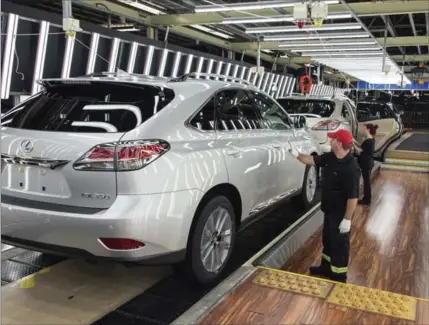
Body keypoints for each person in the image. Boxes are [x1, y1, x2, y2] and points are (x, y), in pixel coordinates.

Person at [289, 129, 360, 283]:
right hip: (329, 211)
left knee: (339, 246)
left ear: (339, 144)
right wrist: (296, 154)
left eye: (333, 139)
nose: (330, 140)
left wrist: (347, 219)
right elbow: (311, 160)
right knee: (328, 241)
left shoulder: (351, 168)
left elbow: (353, 198)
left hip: (340, 214)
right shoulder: (330, 157)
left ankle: (339, 276)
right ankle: (326, 267)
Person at [353, 124, 377, 205]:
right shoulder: (371, 140)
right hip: (369, 162)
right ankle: (366, 199)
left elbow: (360, 150)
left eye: (365, 129)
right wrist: (355, 142)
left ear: (368, 130)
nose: (364, 130)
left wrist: (353, 145)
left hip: (366, 163)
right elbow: (363, 147)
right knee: (367, 181)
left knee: (366, 182)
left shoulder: (368, 141)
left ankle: (367, 200)